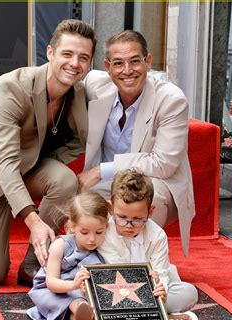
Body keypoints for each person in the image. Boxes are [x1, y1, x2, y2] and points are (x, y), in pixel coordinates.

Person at [0, 19, 96, 286]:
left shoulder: (80, 92)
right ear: (50, 53)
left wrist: (47, 161)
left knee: (65, 180)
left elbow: (81, 139)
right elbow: (5, 163)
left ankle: (33, 262)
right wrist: (34, 221)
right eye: (67, 54)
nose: (75, 63)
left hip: (27, 168)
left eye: (83, 57)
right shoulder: (11, 88)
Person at [78, 30, 194, 257]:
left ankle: (140, 263)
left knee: (146, 196)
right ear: (107, 65)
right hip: (108, 183)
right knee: (76, 198)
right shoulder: (94, 84)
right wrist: (5, 85)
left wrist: (102, 170)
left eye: (135, 61)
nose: (127, 71)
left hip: (156, 183)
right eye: (118, 63)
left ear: (148, 61)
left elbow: (164, 163)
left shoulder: (171, 99)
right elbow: (58, 77)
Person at [97, 169, 200, 320]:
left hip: (150, 292)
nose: (128, 225)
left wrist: (161, 288)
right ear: (111, 208)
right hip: (117, 291)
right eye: (122, 217)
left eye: (137, 219)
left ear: (150, 212)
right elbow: (114, 270)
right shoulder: (105, 232)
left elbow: (162, 272)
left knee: (189, 293)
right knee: (94, 298)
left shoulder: (157, 235)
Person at [26, 192, 108, 320]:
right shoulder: (61, 245)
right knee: (76, 301)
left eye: (99, 232)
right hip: (51, 291)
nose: (92, 238)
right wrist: (74, 284)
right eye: (84, 232)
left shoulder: (103, 250)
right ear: (72, 226)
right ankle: (84, 315)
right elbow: (51, 282)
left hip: (81, 294)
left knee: (85, 303)